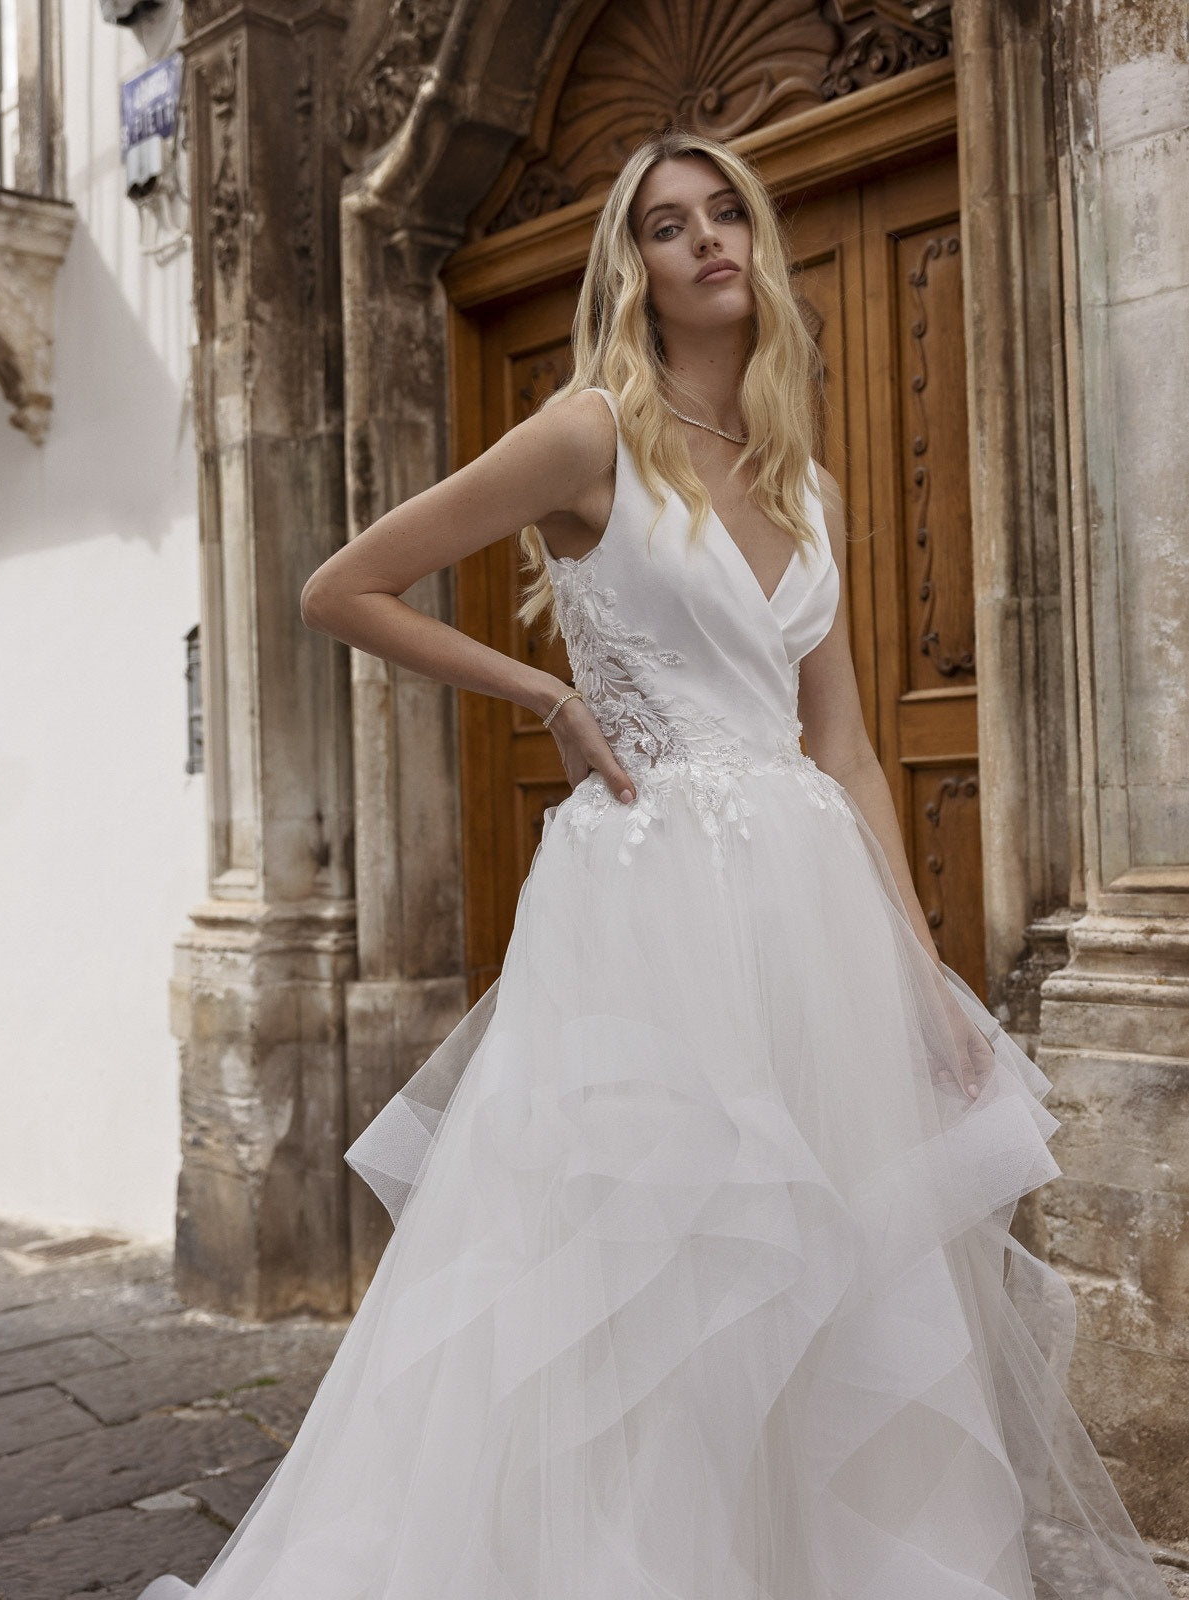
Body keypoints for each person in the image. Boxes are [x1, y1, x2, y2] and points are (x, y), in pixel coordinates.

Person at [140, 130, 1173, 1600]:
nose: (704, 242)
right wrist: (548, 694)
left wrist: (921, 970)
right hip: (651, 911)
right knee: (648, 1283)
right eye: (666, 226)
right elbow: (339, 589)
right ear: (628, 269)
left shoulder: (798, 478)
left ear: (756, 241)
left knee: (833, 1285)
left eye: (724, 215)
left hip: (809, 919)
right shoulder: (584, 434)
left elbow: (847, 745)